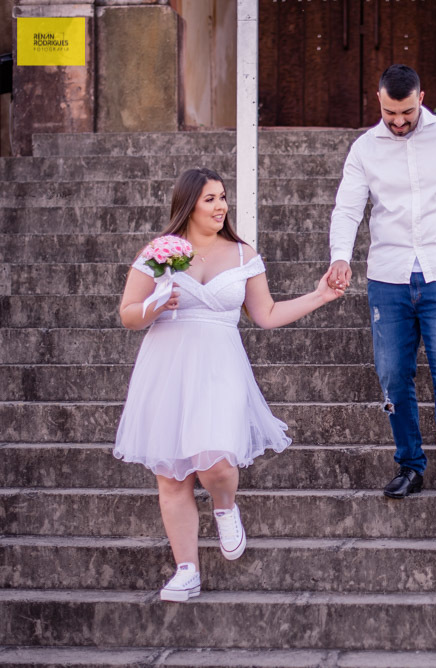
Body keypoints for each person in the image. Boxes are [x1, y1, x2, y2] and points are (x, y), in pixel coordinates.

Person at [114, 167, 344, 602]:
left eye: (222, 197)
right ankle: (186, 570)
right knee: (171, 476)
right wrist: (156, 304)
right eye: (210, 199)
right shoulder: (160, 251)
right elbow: (128, 314)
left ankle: (225, 506)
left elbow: (267, 315)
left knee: (214, 463)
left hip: (220, 365)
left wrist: (320, 296)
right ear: (188, 205)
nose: (221, 206)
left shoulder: (242, 254)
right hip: (167, 367)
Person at [327, 64, 436, 517]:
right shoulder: (364, 149)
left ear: (421, 98)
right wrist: (340, 256)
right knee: (392, 376)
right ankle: (410, 465)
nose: (399, 121)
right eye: (390, 112)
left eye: (406, 112)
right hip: (387, 276)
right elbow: (347, 209)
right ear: (379, 99)